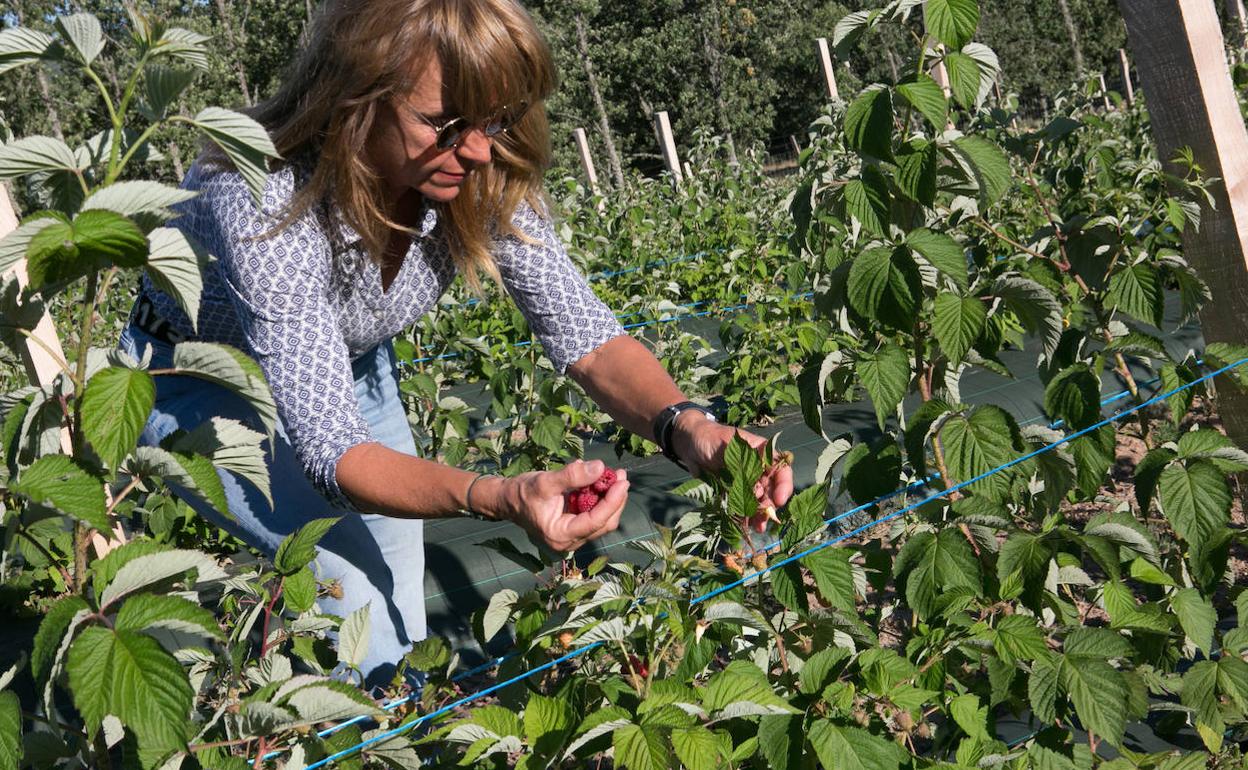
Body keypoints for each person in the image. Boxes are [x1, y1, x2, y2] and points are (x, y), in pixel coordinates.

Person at [118, 0, 793, 686]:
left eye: (493, 120)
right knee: (349, 585)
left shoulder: (477, 173)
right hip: (199, 380)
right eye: (444, 123)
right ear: (354, 96)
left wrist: (691, 428)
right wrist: (500, 494)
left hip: (348, 368)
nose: (476, 147)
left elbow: (586, 337)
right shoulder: (262, 196)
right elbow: (335, 452)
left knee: (399, 594)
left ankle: (393, 720)